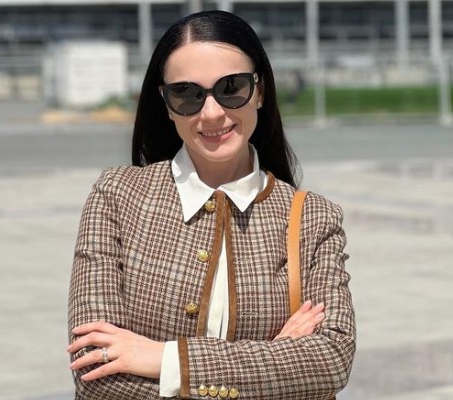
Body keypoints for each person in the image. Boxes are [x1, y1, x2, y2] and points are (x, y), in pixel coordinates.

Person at [67, 10, 355, 400]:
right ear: (166, 104)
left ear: (260, 91)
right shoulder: (117, 197)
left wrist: (166, 360)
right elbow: (95, 372)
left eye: (231, 88)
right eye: (187, 94)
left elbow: (331, 360)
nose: (213, 113)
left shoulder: (313, 219)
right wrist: (274, 365)